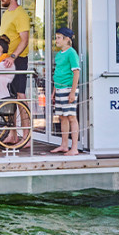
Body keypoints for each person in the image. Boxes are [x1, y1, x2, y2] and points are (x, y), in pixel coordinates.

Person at [0, 0, 30, 144]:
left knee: (20, 96)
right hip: (6, 60)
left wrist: (12, 56)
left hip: (18, 60)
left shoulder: (21, 14)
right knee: (9, 97)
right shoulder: (6, 14)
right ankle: (13, 134)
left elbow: (24, 41)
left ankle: (27, 137)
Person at [51, 26, 81, 155]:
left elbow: (76, 72)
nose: (56, 40)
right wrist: (54, 91)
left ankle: (74, 148)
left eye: (58, 38)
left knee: (71, 117)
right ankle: (64, 145)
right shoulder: (59, 55)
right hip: (59, 89)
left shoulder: (72, 53)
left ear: (66, 39)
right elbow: (57, 73)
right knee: (62, 117)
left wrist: (72, 92)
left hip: (68, 89)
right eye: (56, 38)